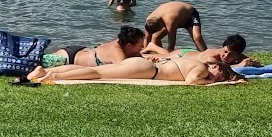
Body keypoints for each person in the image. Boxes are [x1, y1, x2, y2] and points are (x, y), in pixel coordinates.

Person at [30, 53, 233, 85]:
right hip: (148, 71)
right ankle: (53, 74)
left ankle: (44, 71)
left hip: (144, 65)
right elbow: (192, 81)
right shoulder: (202, 69)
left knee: (99, 71)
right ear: (215, 66)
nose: (217, 78)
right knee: (98, 74)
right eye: (220, 74)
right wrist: (211, 82)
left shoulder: (191, 60)